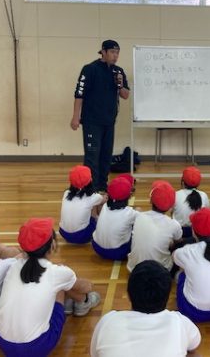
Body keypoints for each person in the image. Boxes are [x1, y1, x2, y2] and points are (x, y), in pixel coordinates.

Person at [0, 218, 101, 356]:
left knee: (55, 284)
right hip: (36, 347)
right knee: (61, 286)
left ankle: (73, 304)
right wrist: (89, 285)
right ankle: (84, 302)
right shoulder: (56, 272)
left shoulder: (13, 265)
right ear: (52, 245)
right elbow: (85, 287)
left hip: (3, 342)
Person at [90, 260, 201, 357]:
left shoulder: (108, 321)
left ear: (128, 295)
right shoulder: (179, 322)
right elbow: (194, 346)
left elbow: (94, 354)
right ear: (167, 297)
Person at [70, 39, 130, 192]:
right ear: (103, 52)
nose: (115, 56)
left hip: (109, 121)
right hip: (91, 121)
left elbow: (125, 95)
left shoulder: (118, 72)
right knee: (92, 156)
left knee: (106, 156)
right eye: (112, 52)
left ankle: (102, 186)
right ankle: (90, 187)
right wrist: (75, 116)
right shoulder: (90, 69)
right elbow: (79, 94)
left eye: (117, 53)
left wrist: (120, 84)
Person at [127, 181, 182, 272]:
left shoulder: (139, 217)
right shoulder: (173, 224)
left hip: (134, 270)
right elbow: (178, 241)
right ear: (171, 206)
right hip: (161, 272)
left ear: (150, 200)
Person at [92, 176, 138, 260]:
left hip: (97, 247)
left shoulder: (105, 206)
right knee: (136, 230)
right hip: (117, 253)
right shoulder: (130, 213)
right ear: (129, 196)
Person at [59, 165, 107, 244]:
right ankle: (98, 223)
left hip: (64, 233)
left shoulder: (66, 193)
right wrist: (103, 194)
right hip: (82, 236)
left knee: (92, 203)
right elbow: (104, 199)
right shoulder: (93, 197)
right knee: (96, 203)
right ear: (90, 180)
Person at [173, 166, 210, 237]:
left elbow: (172, 212)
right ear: (198, 183)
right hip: (198, 232)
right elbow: (208, 212)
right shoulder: (203, 195)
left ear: (183, 182)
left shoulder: (176, 194)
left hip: (179, 233)